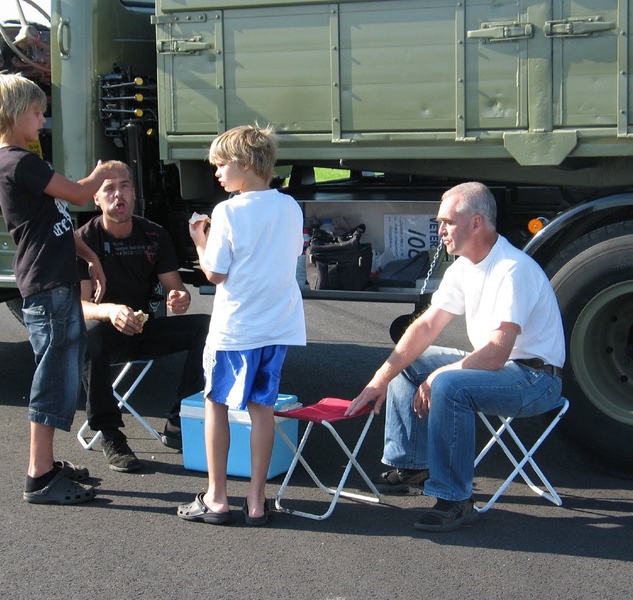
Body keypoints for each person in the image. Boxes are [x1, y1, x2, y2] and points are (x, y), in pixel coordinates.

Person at [346, 181, 565, 532]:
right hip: (501, 369)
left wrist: (439, 376)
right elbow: (425, 326)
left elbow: (496, 354)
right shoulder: (463, 266)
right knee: (410, 363)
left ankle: (456, 500)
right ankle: (413, 465)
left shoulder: (513, 269)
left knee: (448, 385)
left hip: (536, 380)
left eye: (447, 221)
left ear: (476, 223)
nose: (440, 230)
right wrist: (381, 378)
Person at [0, 72, 117, 504]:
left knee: (61, 374)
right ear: (13, 114)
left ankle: (47, 464)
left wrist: (90, 258)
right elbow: (77, 195)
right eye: (36, 113)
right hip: (47, 285)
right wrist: (102, 172)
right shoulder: (20, 162)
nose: (42, 120)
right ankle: (39, 476)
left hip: (55, 282)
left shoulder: (22, 162)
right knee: (53, 379)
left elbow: (56, 221)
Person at [177, 124, 306, 526]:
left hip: (236, 326)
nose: (217, 172)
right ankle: (256, 500)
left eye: (221, 164)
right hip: (278, 324)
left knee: (215, 403)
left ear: (245, 163)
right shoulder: (290, 206)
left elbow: (215, 273)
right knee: (262, 409)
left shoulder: (227, 211)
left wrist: (200, 240)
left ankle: (216, 497)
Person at [76, 160, 209, 472]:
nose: (118, 194)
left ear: (134, 193)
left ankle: (180, 421)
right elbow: (78, 306)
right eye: (109, 189)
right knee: (90, 332)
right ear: (96, 198)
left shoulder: (154, 235)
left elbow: (176, 288)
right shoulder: (84, 241)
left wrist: (180, 297)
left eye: (124, 186)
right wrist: (110, 311)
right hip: (103, 336)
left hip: (142, 329)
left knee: (208, 327)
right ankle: (110, 433)